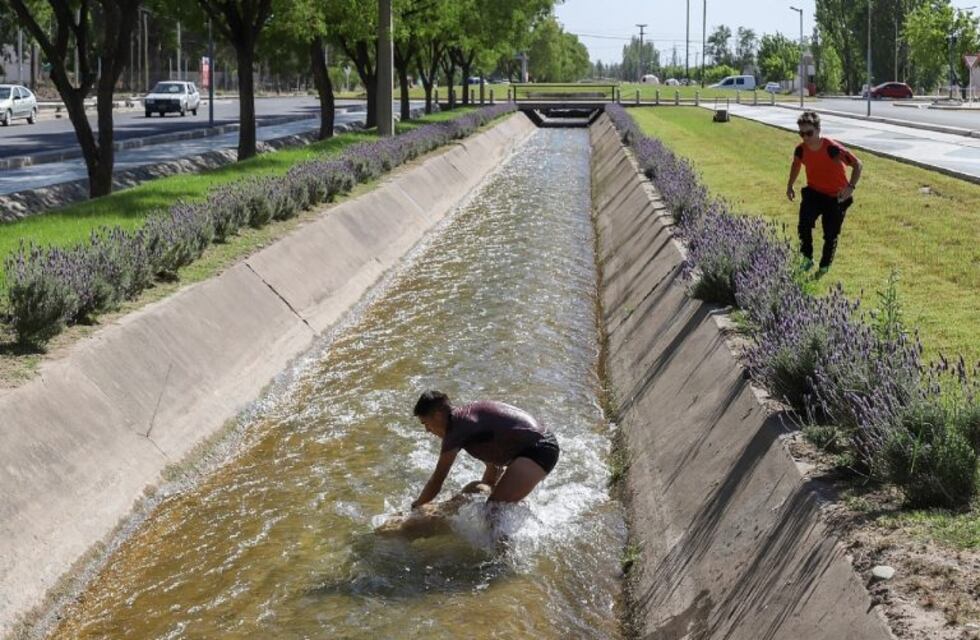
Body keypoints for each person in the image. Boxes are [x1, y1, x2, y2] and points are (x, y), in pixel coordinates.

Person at [410, 390, 559, 511]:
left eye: (425, 423)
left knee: (493, 510)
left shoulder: (457, 428)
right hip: (538, 447)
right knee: (494, 501)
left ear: (437, 416)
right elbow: (492, 472)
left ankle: (503, 549)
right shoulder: (470, 421)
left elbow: (437, 480)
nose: (427, 430)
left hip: (540, 448)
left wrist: (416, 507)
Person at [786, 111, 863, 276]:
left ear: (818, 130)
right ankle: (807, 258)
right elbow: (796, 165)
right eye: (802, 133)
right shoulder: (800, 150)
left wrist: (850, 187)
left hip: (836, 197)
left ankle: (824, 266)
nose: (805, 137)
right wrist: (790, 185)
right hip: (814, 193)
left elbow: (858, 164)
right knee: (804, 225)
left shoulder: (832, 148)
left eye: (809, 133)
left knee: (830, 233)